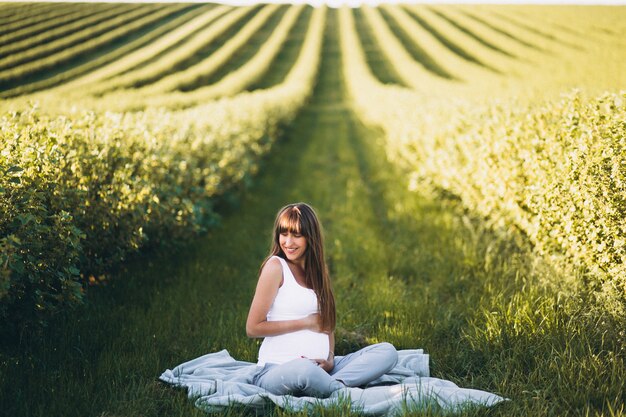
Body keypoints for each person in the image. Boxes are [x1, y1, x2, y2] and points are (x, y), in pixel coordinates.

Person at [246, 202, 398, 397]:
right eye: (284, 234)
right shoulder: (276, 267)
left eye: (297, 235)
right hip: (278, 370)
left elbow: (327, 324)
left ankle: (333, 385)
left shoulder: (318, 271)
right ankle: (343, 394)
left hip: (323, 370)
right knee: (304, 369)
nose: (288, 242)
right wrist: (305, 322)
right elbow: (253, 328)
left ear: (311, 237)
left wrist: (331, 358)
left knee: (387, 351)